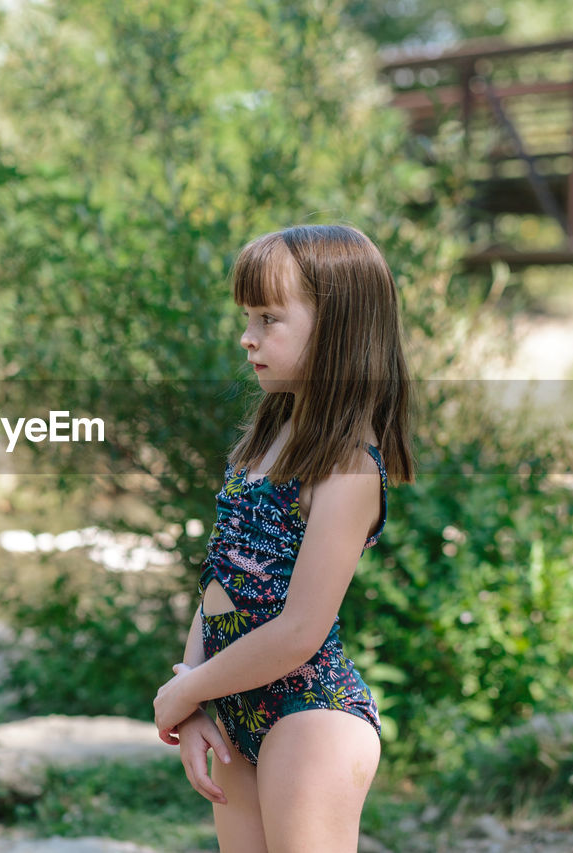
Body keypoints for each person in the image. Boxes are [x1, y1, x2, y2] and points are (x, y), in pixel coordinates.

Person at [152, 224, 414, 852]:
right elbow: (221, 584)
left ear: (339, 327)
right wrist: (194, 690)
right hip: (235, 704)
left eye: (270, 318)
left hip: (309, 714)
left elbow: (301, 631)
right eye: (247, 317)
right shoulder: (262, 444)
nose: (248, 337)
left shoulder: (348, 465)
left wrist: (188, 688)